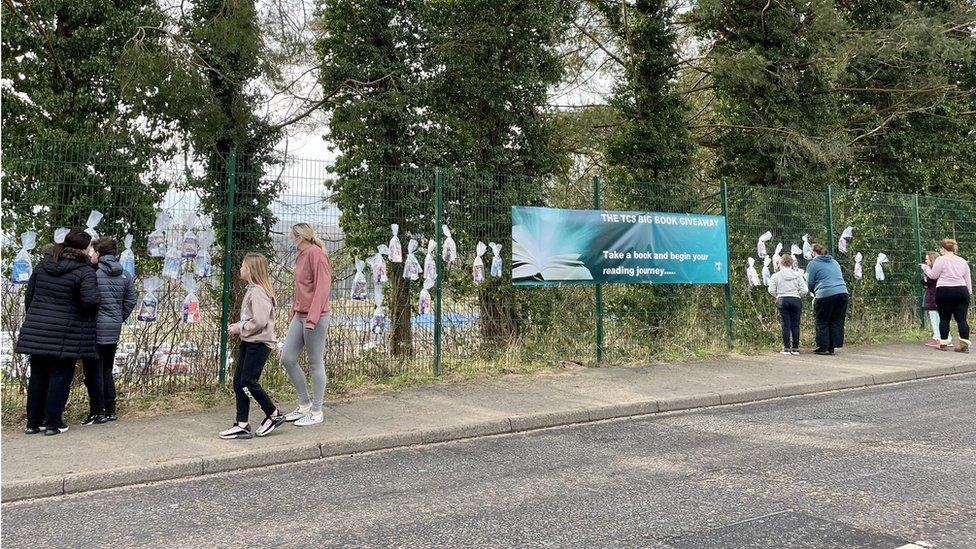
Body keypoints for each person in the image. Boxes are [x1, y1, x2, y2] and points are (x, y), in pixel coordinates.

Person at [15, 229, 100, 435]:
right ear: (84, 248)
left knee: (38, 376)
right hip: (67, 332)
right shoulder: (84, 271)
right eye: (89, 248)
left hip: (38, 329)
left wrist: (37, 318)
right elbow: (91, 301)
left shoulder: (43, 265)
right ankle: (53, 423)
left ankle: (33, 423)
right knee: (60, 377)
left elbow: (30, 296)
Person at [220, 253, 286, 439]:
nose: (240, 269)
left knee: (248, 381)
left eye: (243, 266)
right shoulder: (253, 289)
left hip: (259, 343)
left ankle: (273, 414)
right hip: (250, 341)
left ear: (250, 270)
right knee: (239, 382)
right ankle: (242, 423)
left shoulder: (258, 292)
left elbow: (259, 321)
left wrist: (238, 328)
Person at [281, 223, 332, 426]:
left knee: (315, 362)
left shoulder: (316, 254)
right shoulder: (301, 255)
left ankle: (317, 411)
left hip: (317, 316)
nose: (290, 238)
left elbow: (322, 288)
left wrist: (312, 318)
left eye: (292, 235)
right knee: (287, 358)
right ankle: (304, 404)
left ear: (299, 237)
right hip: (300, 314)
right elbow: (301, 287)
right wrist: (295, 309)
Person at [81, 237, 137, 425]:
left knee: (93, 371)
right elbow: (131, 300)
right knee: (106, 369)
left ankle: (98, 411)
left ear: (98, 254)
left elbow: (86, 299)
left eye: (92, 252)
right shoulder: (125, 275)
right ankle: (111, 408)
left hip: (95, 328)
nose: (91, 255)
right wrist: (118, 317)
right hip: (113, 328)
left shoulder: (92, 273)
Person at [921, 238, 971, 353]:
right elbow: (967, 279)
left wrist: (926, 268)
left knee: (944, 318)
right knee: (962, 319)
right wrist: (968, 293)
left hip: (944, 291)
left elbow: (933, 275)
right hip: (961, 290)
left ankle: (943, 343)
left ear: (942, 248)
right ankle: (964, 345)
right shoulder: (962, 260)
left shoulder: (941, 260)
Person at [805, 243, 849, 356]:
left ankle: (823, 346)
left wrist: (813, 291)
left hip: (825, 294)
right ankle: (832, 347)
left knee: (822, 320)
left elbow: (810, 282)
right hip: (842, 293)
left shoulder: (813, 264)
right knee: (836, 320)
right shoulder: (834, 262)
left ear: (813, 252)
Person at [768, 254, 806, 355]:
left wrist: (778, 295)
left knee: (785, 324)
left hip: (782, 300)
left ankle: (786, 348)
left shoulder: (776, 276)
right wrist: (798, 295)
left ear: (780, 263)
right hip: (796, 300)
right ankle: (796, 348)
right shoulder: (798, 275)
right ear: (792, 263)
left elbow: (771, 290)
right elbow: (804, 290)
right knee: (795, 324)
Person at [921, 251, 952, 349]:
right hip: (936, 296)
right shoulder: (939, 270)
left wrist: (925, 277)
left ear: (932, 260)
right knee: (939, 317)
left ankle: (939, 338)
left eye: (927, 259)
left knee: (936, 317)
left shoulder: (934, 271)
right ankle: (943, 337)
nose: (925, 261)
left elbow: (931, 279)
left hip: (935, 297)